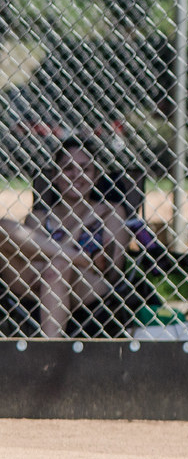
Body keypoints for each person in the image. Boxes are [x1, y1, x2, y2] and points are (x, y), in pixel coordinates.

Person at [0, 136, 131, 338]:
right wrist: (81, 228)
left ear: (95, 176)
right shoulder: (40, 217)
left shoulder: (111, 211)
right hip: (39, 280)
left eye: (85, 169)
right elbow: (33, 258)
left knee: (57, 267)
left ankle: (49, 353)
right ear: (54, 175)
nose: (76, 175)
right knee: (3, 228)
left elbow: (113, 271)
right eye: (68, 168)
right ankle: (77, 257)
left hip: (86, 285)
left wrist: (64, 256)